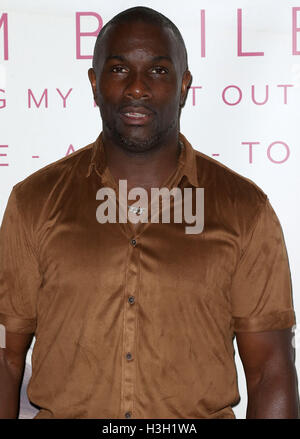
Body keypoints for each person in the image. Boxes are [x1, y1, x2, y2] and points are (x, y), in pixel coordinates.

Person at [0, 6, 299, 419]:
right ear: (94, 82)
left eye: (158, 71)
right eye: (119, 69)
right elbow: (5, 356)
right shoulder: (33, 202)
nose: (137, 88)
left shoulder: (243, 210)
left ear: (184, 86)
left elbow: (270, 371)